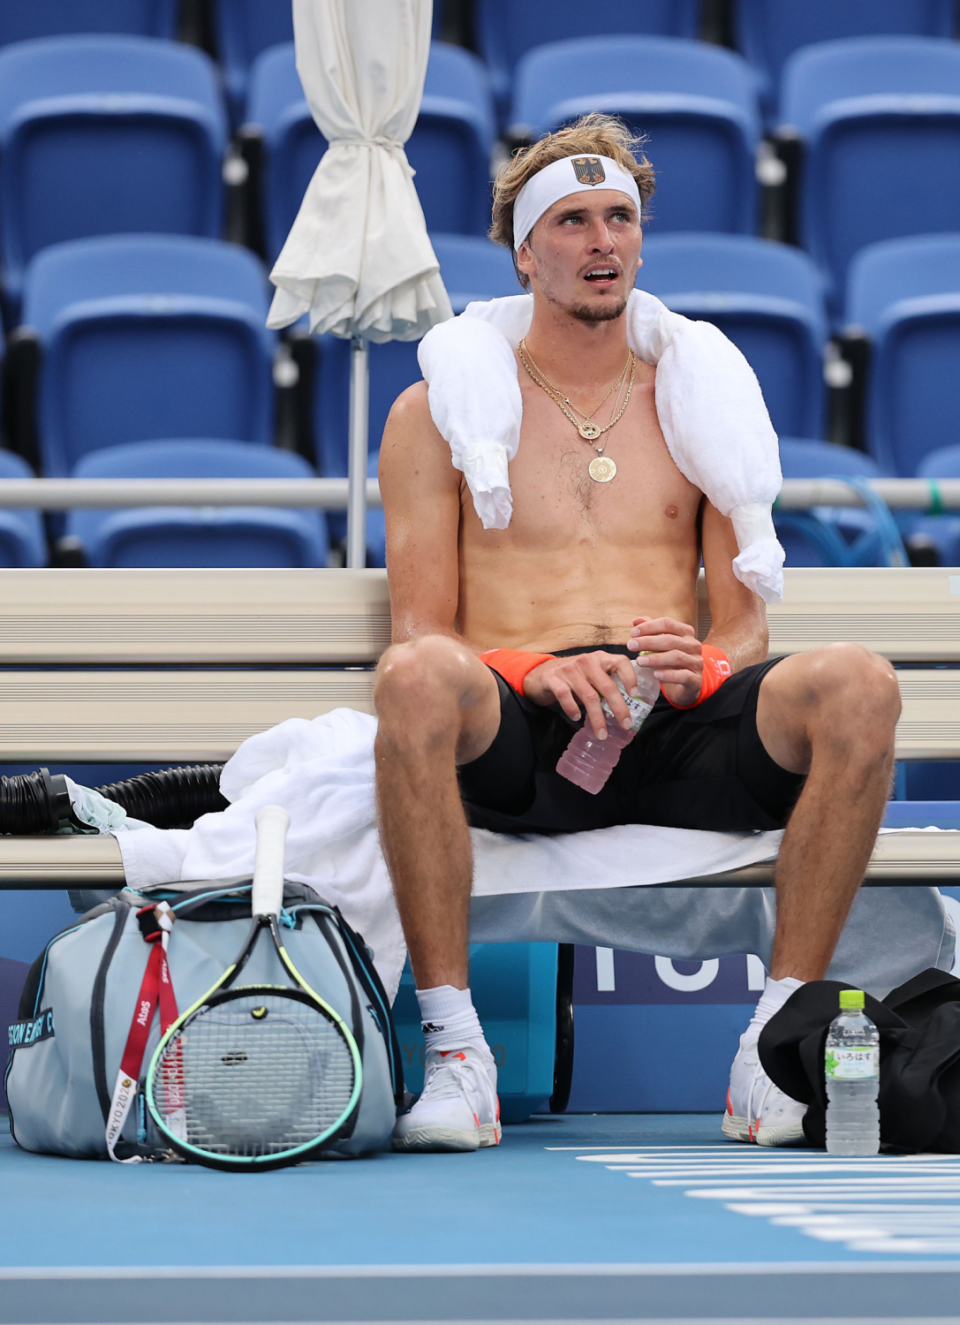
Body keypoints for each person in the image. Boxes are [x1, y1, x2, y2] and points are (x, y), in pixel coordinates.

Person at [374, 114, 901, 1153]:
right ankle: (456, 1054)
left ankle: (772, 1044)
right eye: (571, 221)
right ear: (525, 250)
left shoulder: (701, 396)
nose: (601, 241)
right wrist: (527, 667)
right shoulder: (439, 410)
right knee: (417, 681)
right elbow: (421, 630)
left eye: (619, 217)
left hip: (673, 720)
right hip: (519, 730)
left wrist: (703, 663)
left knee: (862, 684)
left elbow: (743, 624)